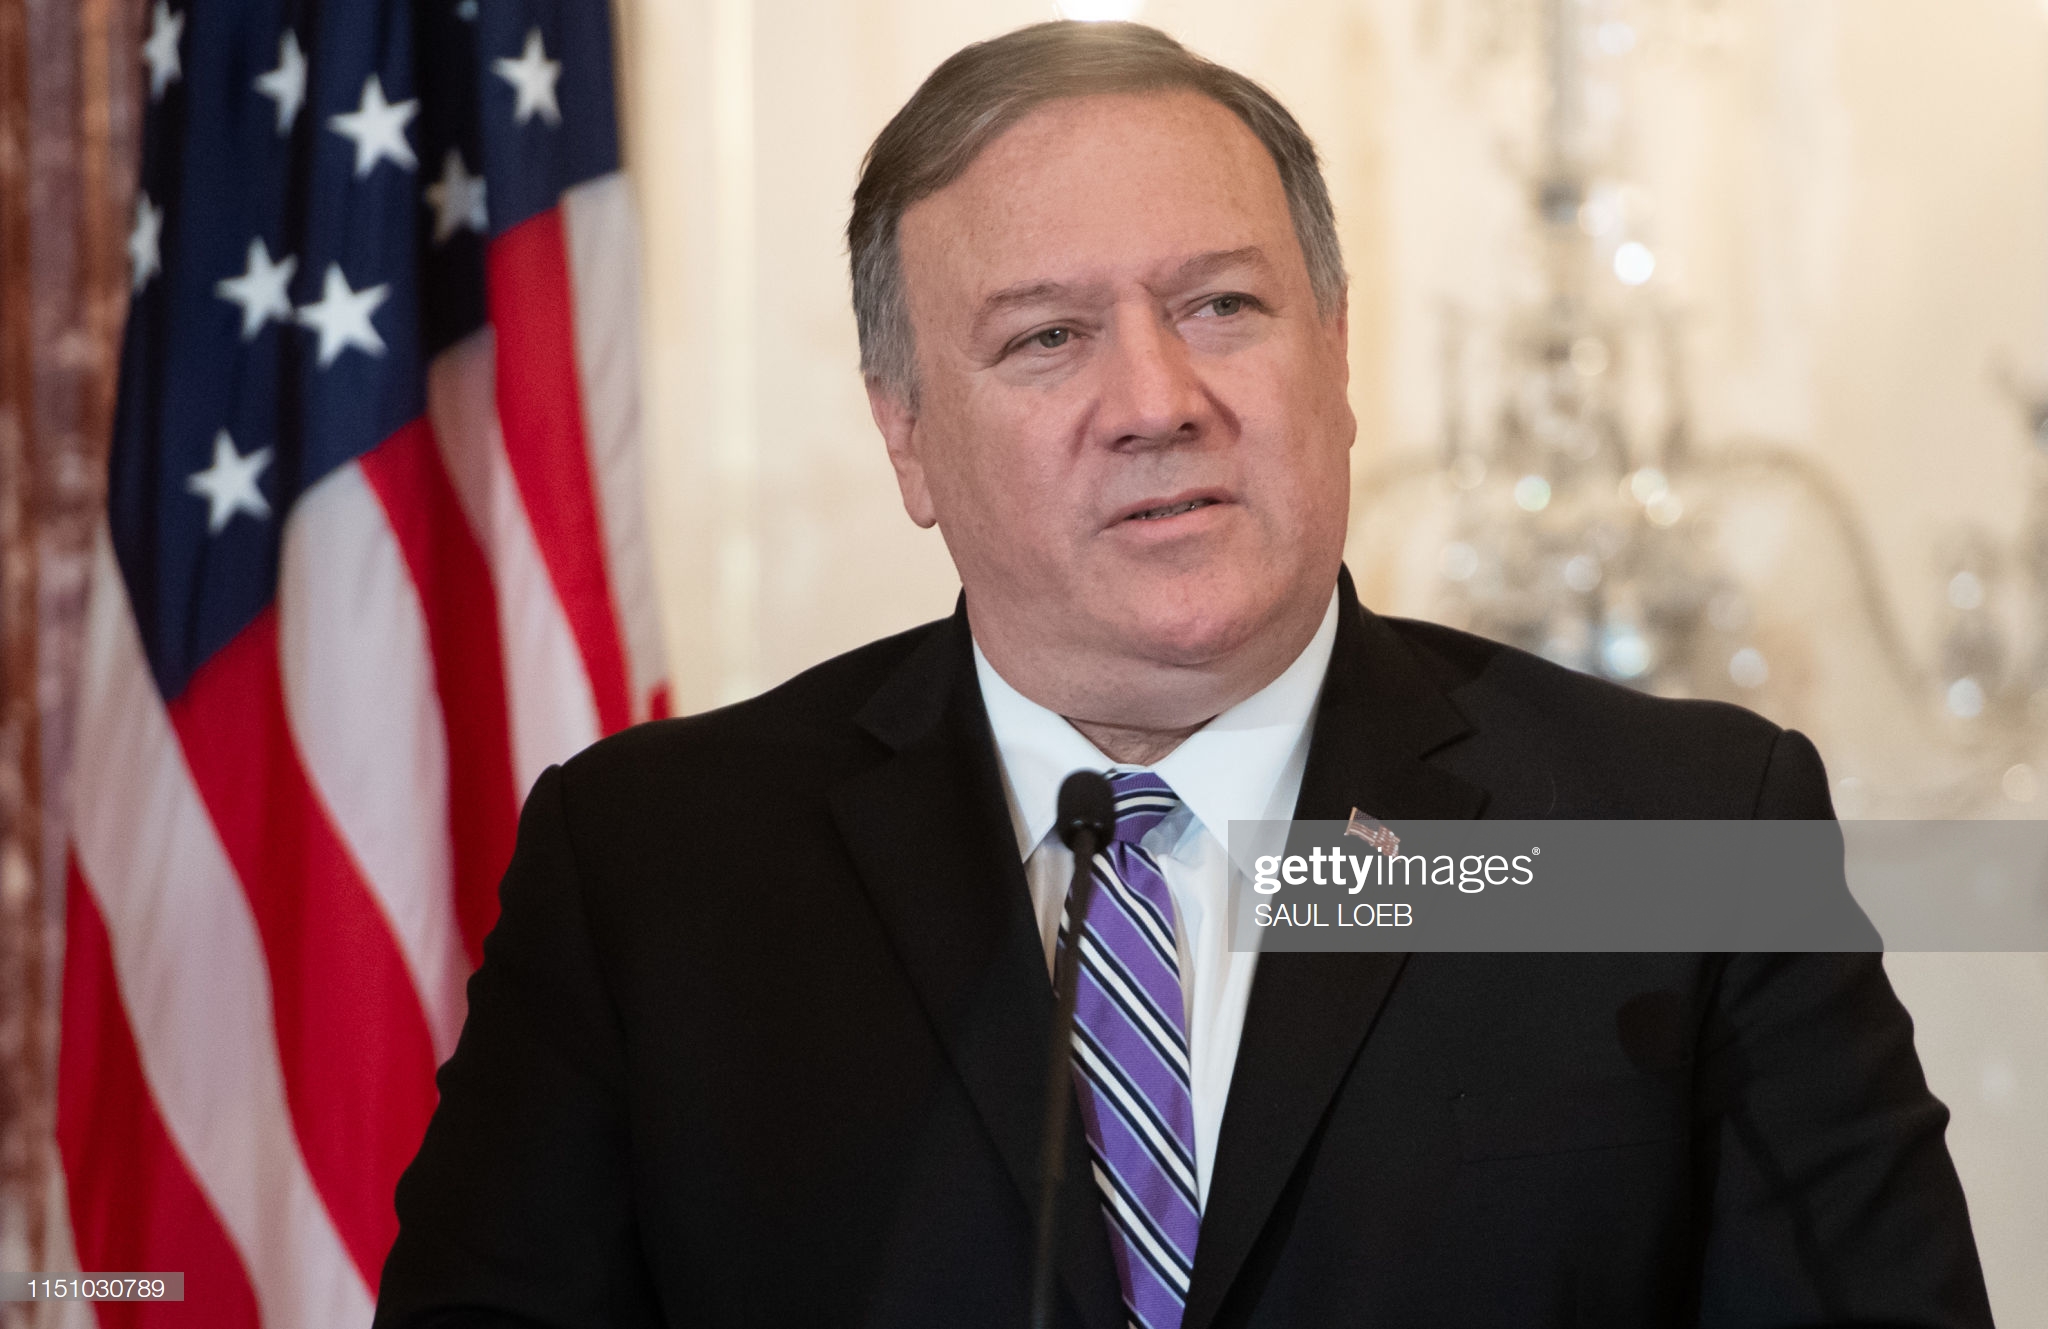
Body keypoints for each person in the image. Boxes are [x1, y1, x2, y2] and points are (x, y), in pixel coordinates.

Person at [374, 21, 1990, 1329]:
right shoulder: (655, 868)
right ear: (906, 433)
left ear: (1337, 356)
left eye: (1221, 304)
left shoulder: (1682, 834)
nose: (1158, 400)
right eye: (1046, 337)